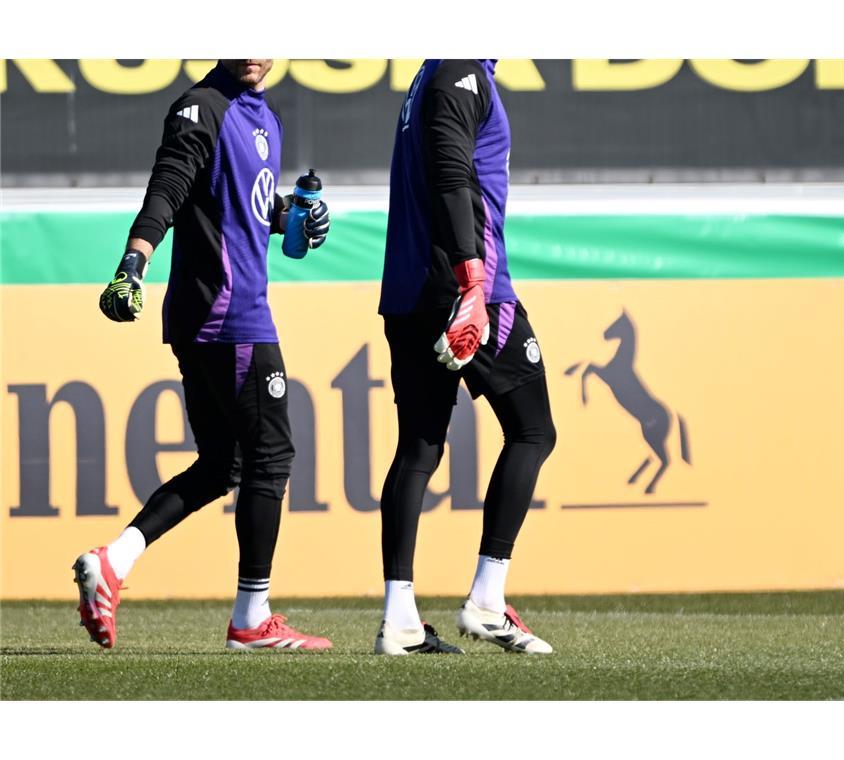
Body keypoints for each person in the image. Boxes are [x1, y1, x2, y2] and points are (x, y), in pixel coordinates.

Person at [74, 59, 333, 651]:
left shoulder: (264, 116)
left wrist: (287, 213)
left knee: (225, 465)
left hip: (216, 318)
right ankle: (251, 619)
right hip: (230, 315)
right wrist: (132, 265)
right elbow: (167, 187)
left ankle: (112, 562)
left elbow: (235, 209)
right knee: (271, 458)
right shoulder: (203, 106)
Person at [376, 59, 556, 655]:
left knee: (419, 448)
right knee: (533, 430)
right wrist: (474, 285)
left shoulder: (435, 71)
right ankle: (486, 599)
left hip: (408, 292)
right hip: (463, 290)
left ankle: (401, 620)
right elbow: (454, 173)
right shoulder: (461, 70)